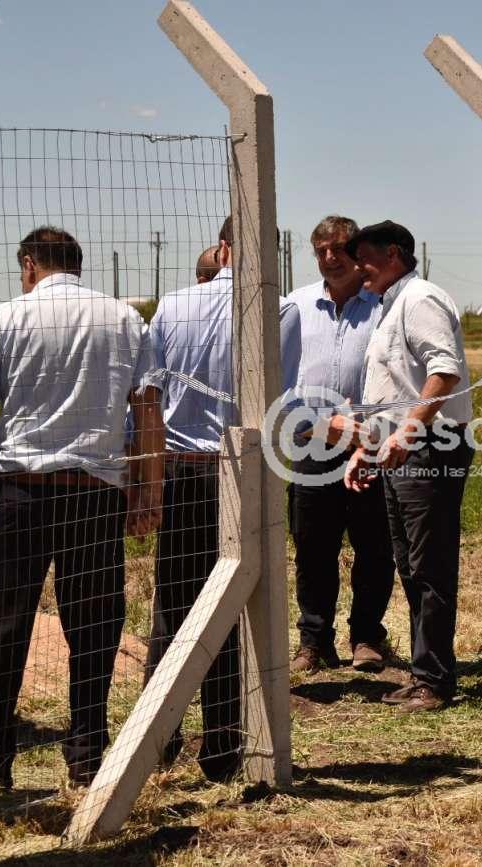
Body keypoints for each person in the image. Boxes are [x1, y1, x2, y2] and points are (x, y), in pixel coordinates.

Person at [0, 226, 164, 789]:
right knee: (94, 626)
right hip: (95, 495)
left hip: (21, 494)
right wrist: (148, 491)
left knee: (2, 625)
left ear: (29, 264)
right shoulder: (125, 319)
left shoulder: (6, 318)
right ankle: (86, 756)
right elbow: (148, 409)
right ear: (77, 263)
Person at [146, 216, 300, 780]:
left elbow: (148, 394)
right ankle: (223, 746)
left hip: (178, 469)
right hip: (241, 471)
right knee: (234, 609)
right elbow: (284, 400)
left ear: (222, 247)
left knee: (172, 606)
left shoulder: (173, 304)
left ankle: (155, 741)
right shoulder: (280, 311)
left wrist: (148, 475)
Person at [342, 220, 473, 714]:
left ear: (394, 253)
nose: (359, 268)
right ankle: (426, 673)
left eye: (365, 258)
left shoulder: (419, 299)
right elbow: (394, 389)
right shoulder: (391, 305)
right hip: (405, 447)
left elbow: (444, 372)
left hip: (430, 446)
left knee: (429, 565)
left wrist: (408, 432)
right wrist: (369, 446)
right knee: (411, 564)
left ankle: (435, 681)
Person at [284, 215, 394, 675]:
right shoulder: (295, 305)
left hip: (369, 441)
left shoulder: (384, 305)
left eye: (340, 249)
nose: (330, 258)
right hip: (311, 441)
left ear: (357, 251)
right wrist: (318, 423)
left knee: (375, 545)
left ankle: (367, 637)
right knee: (313, 546)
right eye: (321, 250)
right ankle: (313, 643)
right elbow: (279, 375)